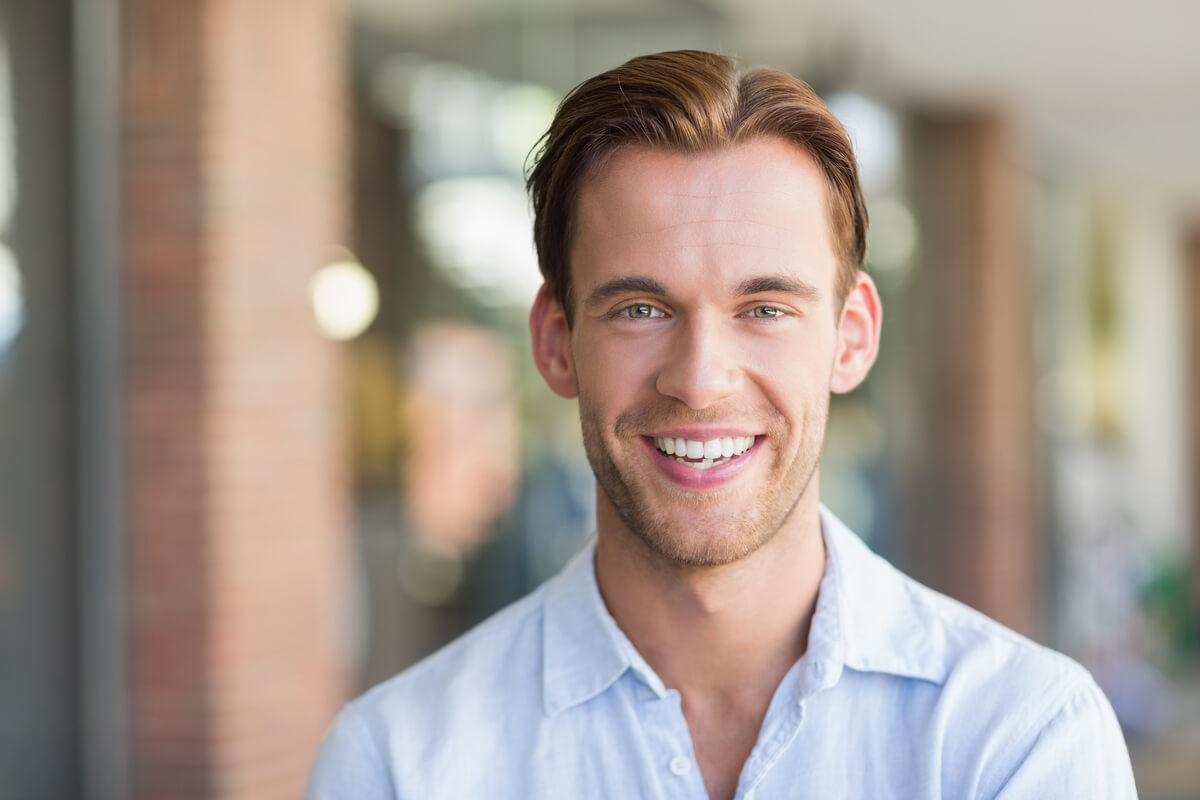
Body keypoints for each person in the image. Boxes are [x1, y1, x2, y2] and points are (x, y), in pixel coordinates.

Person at [308, 50, 1137, 799]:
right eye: (640, 308)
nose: (700, 380)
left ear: (852, 340)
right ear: (556, 344)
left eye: (765, 308)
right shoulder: (400, 763)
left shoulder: (1020, 740)